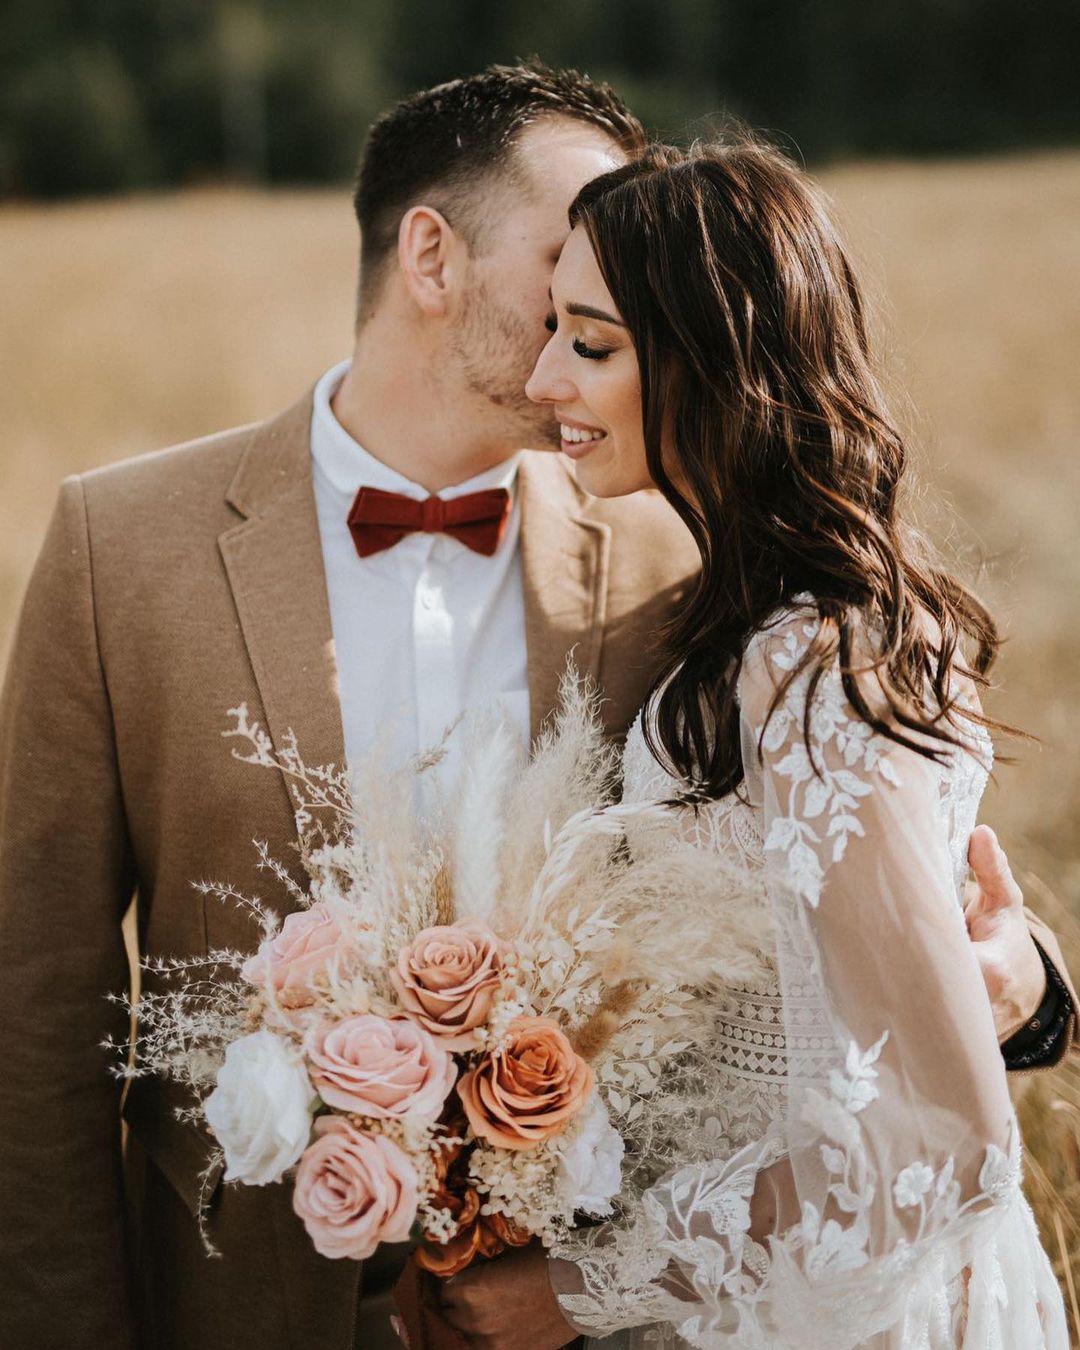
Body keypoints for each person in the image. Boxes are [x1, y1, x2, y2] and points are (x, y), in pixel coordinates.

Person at [0, 68, 1070, 1350]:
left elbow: (873, 883)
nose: (594, 298)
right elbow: (38, 1002)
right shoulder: (120, 543)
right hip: (238, 1303)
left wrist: (1026, 981)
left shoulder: (689, 555)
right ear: (432, 255)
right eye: (568, 251)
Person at [437, 138, 1078, 1347]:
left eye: (593, 341)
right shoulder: (760, 616)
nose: (545, 380)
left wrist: (582, 1290)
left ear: (716, 356)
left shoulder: (809, 659)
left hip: (852, 1309)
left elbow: (944, 1134)